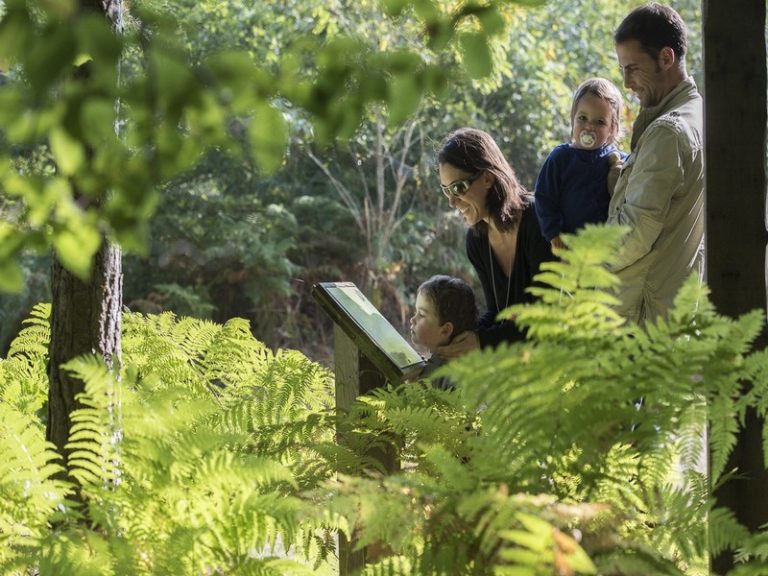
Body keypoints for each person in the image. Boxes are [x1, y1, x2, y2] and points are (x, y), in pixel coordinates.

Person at [608, 2, 704, 323]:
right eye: (622, 69)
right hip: (675, 318)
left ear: (666, 58)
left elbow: (633, 234)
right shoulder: (700, 115)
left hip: (643, 327)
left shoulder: (667, 132)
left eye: (633, 68)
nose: (626, 82)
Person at [435, 128, 554, 357]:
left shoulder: (538, 219)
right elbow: (497, 313)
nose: (451, 201)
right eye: (446, 190)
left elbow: (545, 315)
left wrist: (482, 340)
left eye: (458, 188)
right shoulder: (476, 241)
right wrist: (456, 340)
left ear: (488, 178)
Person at [534, 77, 627, 250]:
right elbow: (544, 198)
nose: (589, 126)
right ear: (573, 119)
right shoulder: (560, 158)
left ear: (612, 129)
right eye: (582, 118)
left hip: (608, 247)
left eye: (600, 122)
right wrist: (554, 232)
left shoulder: (618, 159)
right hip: (571, 246)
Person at [409, 274, 477, 390]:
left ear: (445, 330)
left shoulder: (453, 378)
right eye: (416, 312)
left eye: (421, 315)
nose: (412, 320)